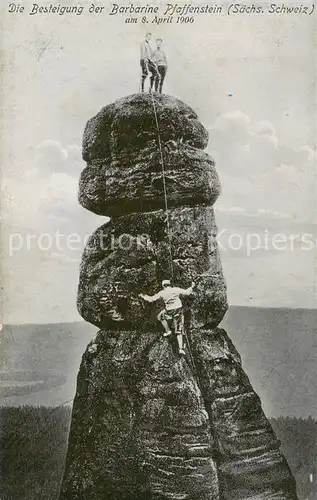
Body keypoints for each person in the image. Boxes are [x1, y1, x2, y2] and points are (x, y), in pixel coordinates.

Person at [139, 279, 196, 355]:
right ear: (170, 284)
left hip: (169, 310)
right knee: (179, 329)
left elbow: (151, 299)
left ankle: (168, 330)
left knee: (160, 317)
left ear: (163, 286)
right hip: (178, 309)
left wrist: (143, 296)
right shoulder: (175, 289)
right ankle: (181, 349)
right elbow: (187, 293)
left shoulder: (162, 292)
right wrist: (192, 287)